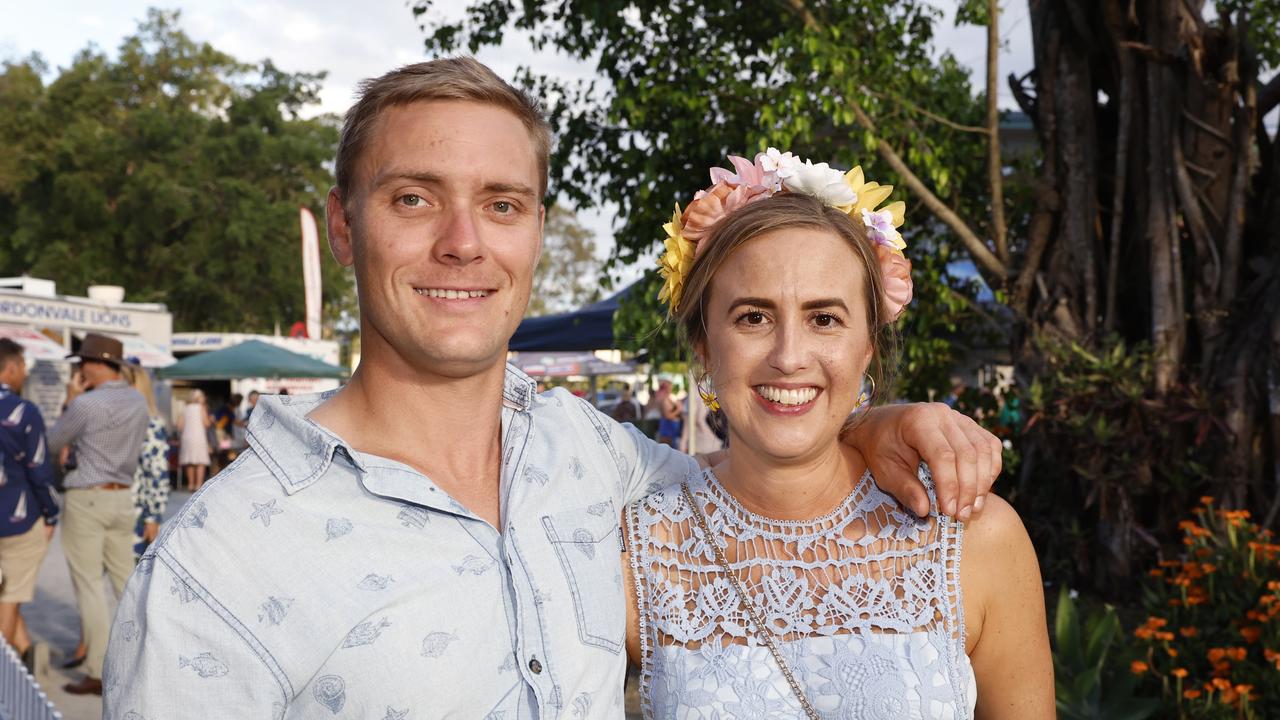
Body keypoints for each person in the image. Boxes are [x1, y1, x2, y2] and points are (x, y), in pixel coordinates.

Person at [104, 58, 1002, 717]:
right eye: (414, 198)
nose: (464, 242)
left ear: (534, 229)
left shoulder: (602, 463)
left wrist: (873, 425)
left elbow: (771, 475)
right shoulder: (212, 565)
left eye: (501, 204)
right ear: (344, 227)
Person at [623, 154, 1053, 717]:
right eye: (753, 317)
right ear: (705, 344)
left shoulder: (976, 540)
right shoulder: (639, 554)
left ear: (867, 345)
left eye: (824, 318)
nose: (789, 357)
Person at [47, 332, 150, 696]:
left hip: (87, 497)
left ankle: (97, 668)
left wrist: (71, 398)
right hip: (122, 497)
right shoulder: (139, 402)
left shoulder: (86, 404)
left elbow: (53, 442)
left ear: (94, 363)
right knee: (126, 584)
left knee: (89, 585)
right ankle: (140, 661)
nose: (79, 369)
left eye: (81, 363)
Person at [0, 338, 58, 670]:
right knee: (9, 599)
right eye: (23, 366)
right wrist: (51, 514)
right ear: (11, 368)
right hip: (17, 520)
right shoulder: (25, 411)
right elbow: (39, 469)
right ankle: (6, 675)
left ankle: (25, 654)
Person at [123, 366, 169, 558]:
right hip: (116, 508)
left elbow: (156, 473)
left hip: (135, 513)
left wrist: (153, 516)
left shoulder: (149, 422)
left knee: (129, 579)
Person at [177, 389, 211, 491]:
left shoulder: (185, 408)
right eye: (202, 396)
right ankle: (198, 485)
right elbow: (206, 423)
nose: (204, 398)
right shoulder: (201, 408)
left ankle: (190, 484)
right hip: (199, 436)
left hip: (187, 437)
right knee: (200, 461)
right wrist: (211, 420)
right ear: (198, 398)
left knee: (190, 461)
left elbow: (179, 426)